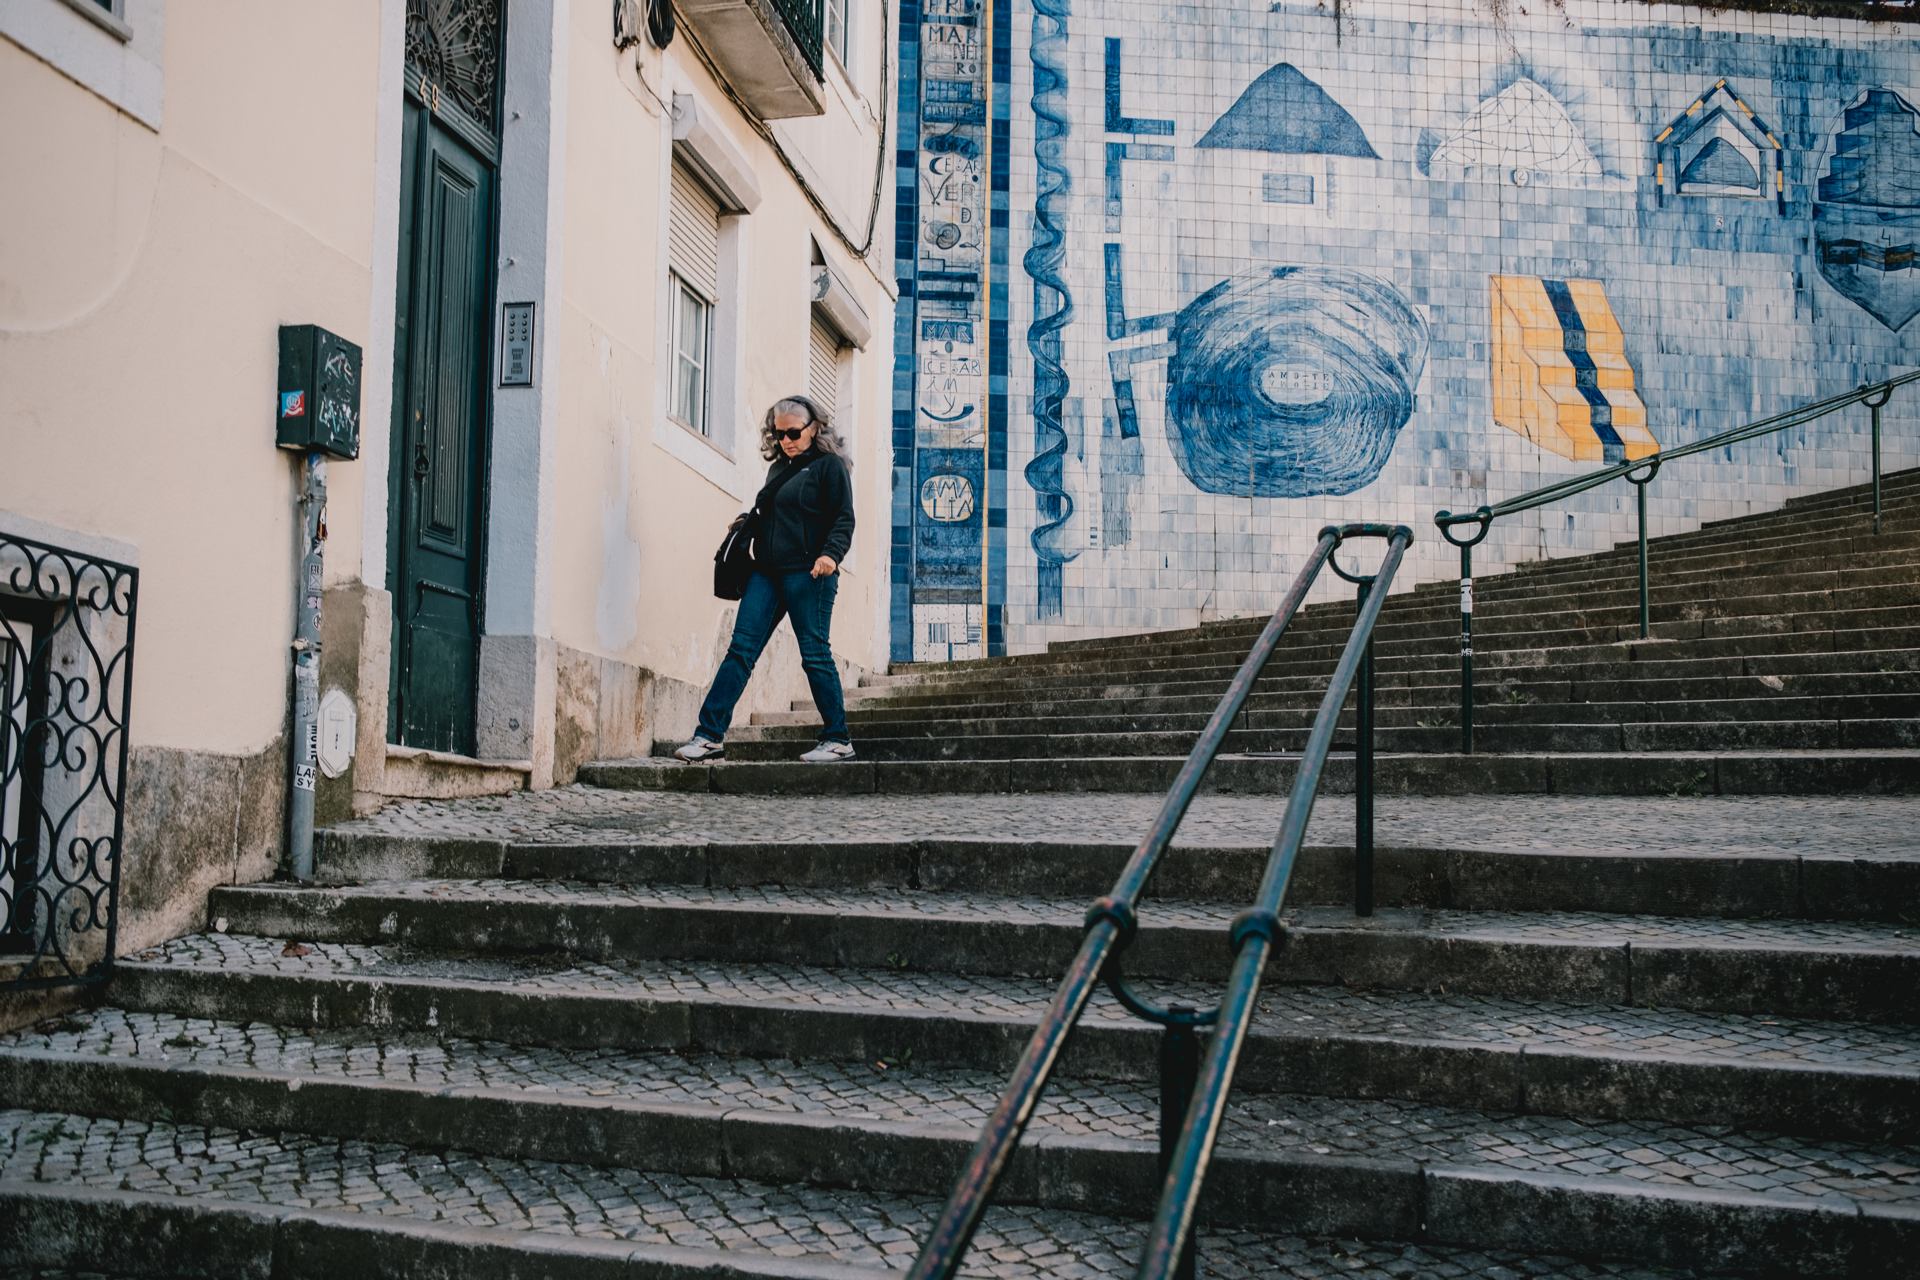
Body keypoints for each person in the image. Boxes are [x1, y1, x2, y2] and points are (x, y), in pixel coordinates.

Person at [676, 395, 857, 763]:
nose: (786, 440)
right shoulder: (778, 470)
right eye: (779, 434)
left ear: (814, 428)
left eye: (793, 432)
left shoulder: (829, 467)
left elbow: (843, 518)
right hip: (767, 573)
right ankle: (709, 736)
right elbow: (779, 514)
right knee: (740, 652)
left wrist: (830, 556)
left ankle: (838, 739)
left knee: (815, 655)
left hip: (810, 574)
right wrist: (748, 523)